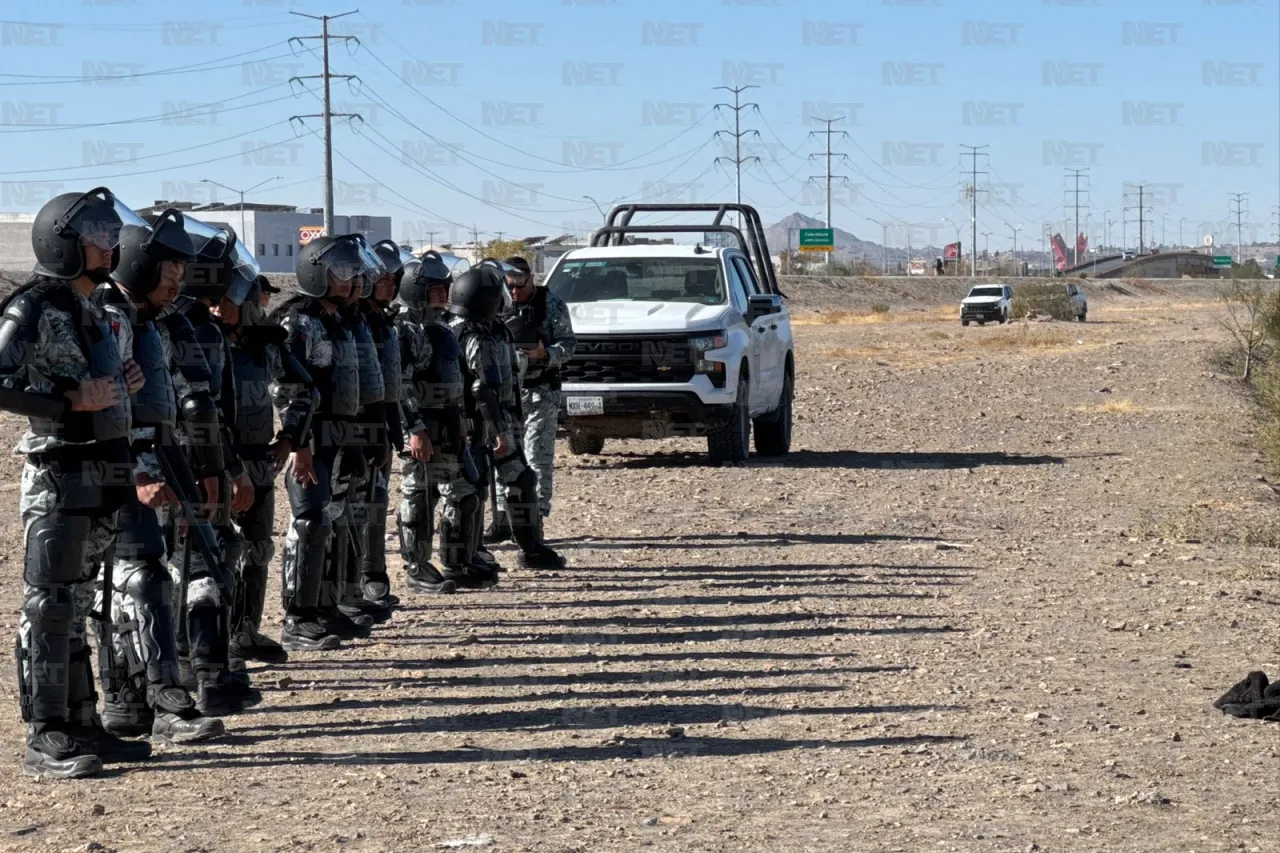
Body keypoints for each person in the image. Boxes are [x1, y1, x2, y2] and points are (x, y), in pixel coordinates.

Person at [0, 188, 143, 777]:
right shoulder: (32, 307)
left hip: (104, 468)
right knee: (51, 603)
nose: (110, 246)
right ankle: (47, 731)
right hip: (58, 470)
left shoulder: (99, 307)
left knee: (83, 600)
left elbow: (99, 381)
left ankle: (84, 723)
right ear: (63, 241)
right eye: (97, 236)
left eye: (112, 236)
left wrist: (124, 382)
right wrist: (65, 399)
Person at [94, 208, 237, 734]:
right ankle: (156, 699)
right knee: (136, 579)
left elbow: (183, 402)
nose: (179, 277)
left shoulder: (150, 321)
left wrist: (207, 470)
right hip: (117, 467)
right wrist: (134, 472)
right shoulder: (106, 316)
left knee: (160, 573)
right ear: (137, 264)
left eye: (181, 268)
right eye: (169, 267)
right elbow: (108, 410)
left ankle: (137, 703)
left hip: (158, 459)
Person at [168, 223, 260, 704]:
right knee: (198, 566)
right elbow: (201, 410)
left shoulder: (192, 323)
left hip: (197, 465)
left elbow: (219, 411)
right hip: (186, 468)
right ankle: (203, 675)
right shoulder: (190, 327)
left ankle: (209, 668)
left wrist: (232, 465)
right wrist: (220, 469)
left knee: (205, 561)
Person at [272, 234, 365, 651]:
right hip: (309, 439)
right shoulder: (297, 322)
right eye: (339, 272)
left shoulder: (337, 320)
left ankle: (327, 607)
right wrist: (299, 442)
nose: (348, 280)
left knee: (334, 518)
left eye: (352, 272)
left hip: (339, 437)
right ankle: (297, 617)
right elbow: (285, 388)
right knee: (308, 522)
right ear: (316, 272)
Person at [223, 273, 315, 664]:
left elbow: (303, 389)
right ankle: (210, 649)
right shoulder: (197, 341)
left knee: (257, 550)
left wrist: (290, 437)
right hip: (211, 464)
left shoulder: (264, 345)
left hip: (257, 458)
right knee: (213, 557)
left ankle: (245, 633)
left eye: (226, 300)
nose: (216, 308)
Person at [451, 263, 564, 574]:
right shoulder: (473, 335)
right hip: (479, 424)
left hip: (503, 419)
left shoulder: (496, 330)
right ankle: (467, 557)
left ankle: (531, 548)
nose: (507, 297)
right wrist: (499, 429)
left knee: (522, 479)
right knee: (473, 488)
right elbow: (482, 388)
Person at [395, 251, 471, 594]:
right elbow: (401, 384)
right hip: (422, 427)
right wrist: (415, 430)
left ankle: (457, 562)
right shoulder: (405, 331)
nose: (443, 293)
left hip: (447, 424)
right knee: (418, 496)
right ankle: (417, 566)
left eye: (445, 287)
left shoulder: (441, 327)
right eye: (434, 288)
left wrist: (461, 422)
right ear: (415, 290)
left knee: (462, 492)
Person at [486, 256, 576, 543]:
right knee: (503, 454)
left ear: (531, 279)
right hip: (506, 394)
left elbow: (569, 344)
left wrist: (545, 355)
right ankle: (503, 519)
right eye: (508, 286)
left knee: (537, 457)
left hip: (540, 391)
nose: (513, 292)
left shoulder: (551, 304)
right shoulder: (497, 304)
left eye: (519, 286)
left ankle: (534, 521)